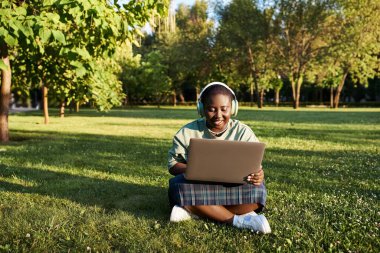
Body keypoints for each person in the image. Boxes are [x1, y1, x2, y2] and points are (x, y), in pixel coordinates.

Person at [167, 82, 271, 234]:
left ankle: (195, 210)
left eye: (224, 109)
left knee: (259, 192)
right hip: (198, 185)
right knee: (178, 187)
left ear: (233, 108)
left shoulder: (243, 132)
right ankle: (240, 220)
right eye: (211, 109)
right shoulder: (187, 131)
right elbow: (173, 165)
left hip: (233, 186)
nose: (218, 115)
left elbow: (255, 166)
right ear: (201, 109)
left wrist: (258, 175)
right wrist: (198, 170)